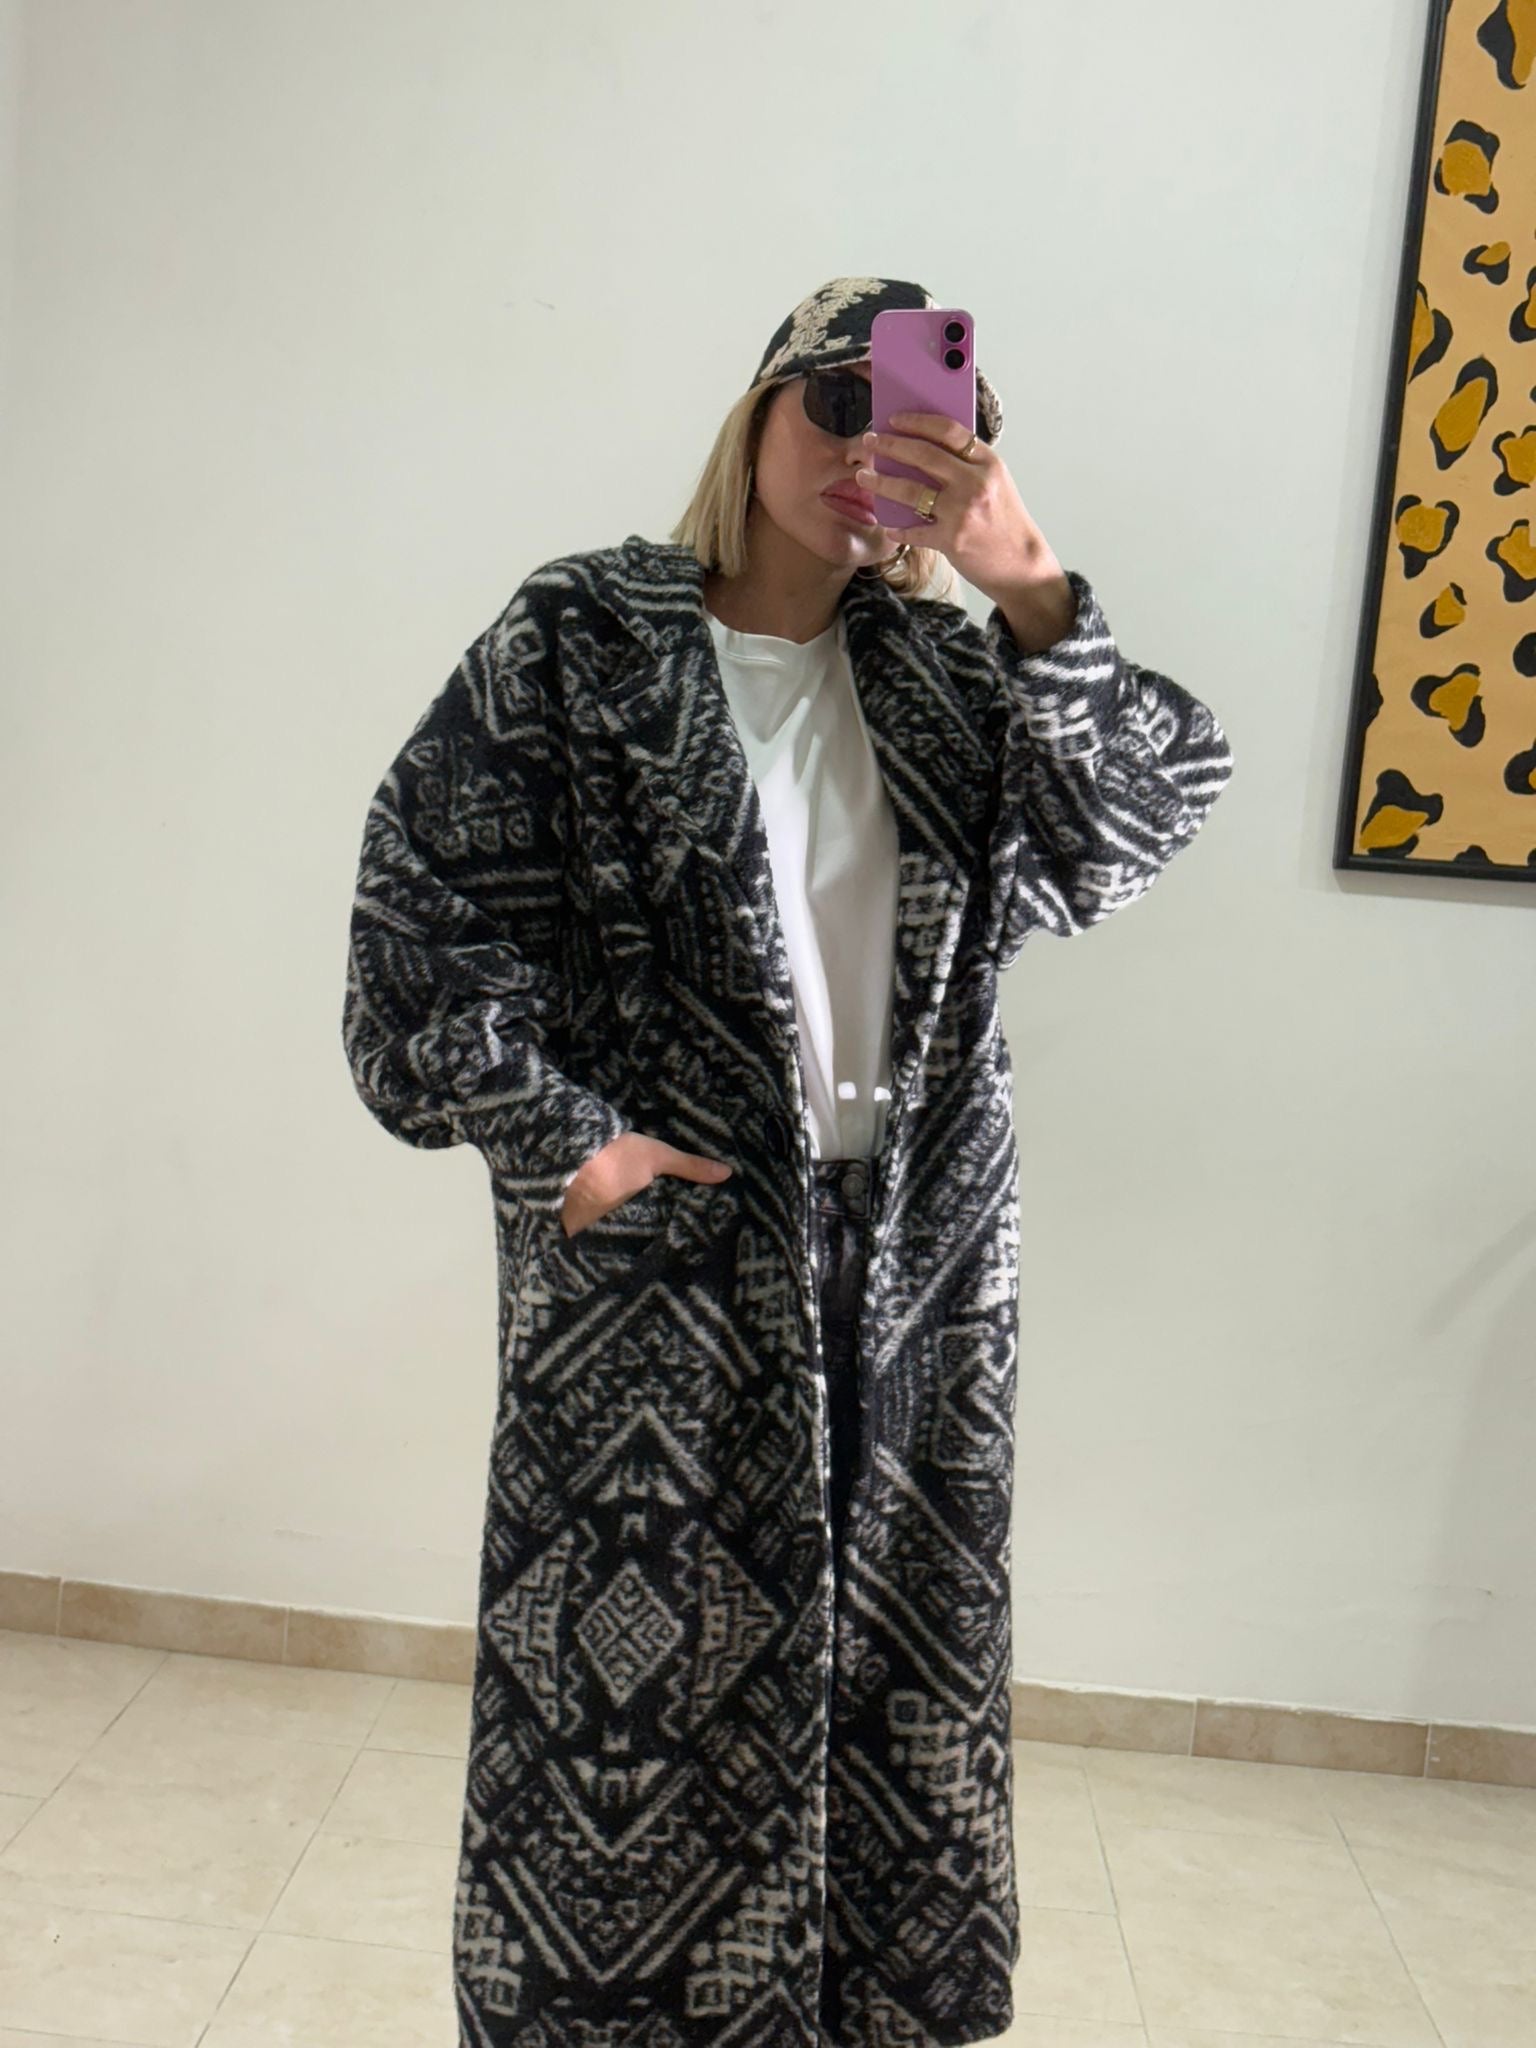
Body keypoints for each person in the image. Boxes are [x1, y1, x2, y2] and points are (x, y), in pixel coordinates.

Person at [341, 276, 1234, 2048]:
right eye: (835, 401)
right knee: (631, 1715)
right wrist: (568, 1144)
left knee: (896, 1682)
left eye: (922, 420)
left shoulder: (950, 678)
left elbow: (1131, 827)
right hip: (664, 1275)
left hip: (916, 1274)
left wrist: (1033, 588)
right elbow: (418, 919)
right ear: (754, 412)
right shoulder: (583, 640)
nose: (866, 445)